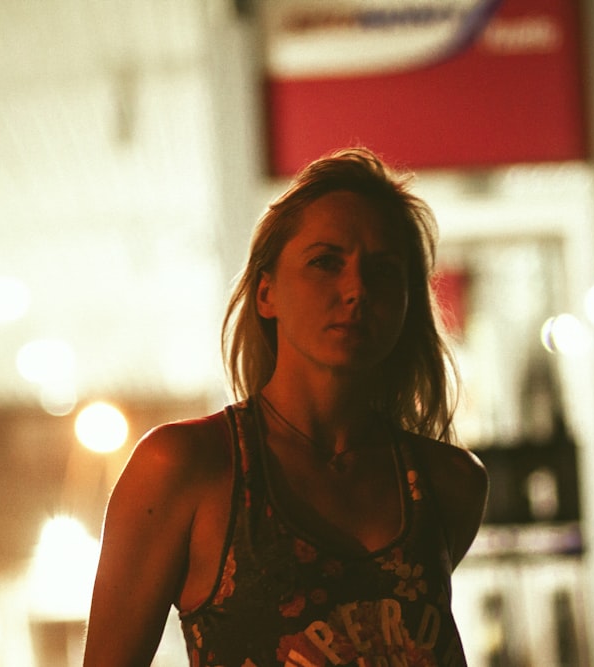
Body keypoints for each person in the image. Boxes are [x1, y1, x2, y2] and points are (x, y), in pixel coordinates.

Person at [83, 147, 488, 666]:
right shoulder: (185, 467)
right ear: (266, 292)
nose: (356, 289)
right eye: (325, 262)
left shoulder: (448, 484)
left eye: (384, 270)